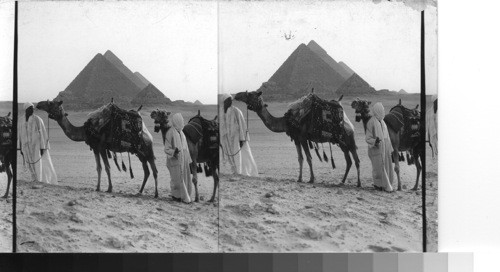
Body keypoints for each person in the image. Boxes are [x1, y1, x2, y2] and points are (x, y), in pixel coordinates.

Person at [219, 93, 258, 177]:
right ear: (224, 101)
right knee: (228, 155)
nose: (230, 102)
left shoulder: (236, 111)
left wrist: (242, 139)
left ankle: (240, 172)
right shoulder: (221, 112)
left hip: (236, 138)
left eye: (231, 100)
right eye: (228, 100)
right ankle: (232, 171)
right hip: (226, 138)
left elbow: (242, 125)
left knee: (238, 155)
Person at [18, 102, 57, 184]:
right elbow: (20, 134)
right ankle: (33, 179)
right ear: (26, 110)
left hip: (37, 146)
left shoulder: (38, 119)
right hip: (26, 146)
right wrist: (21, 148)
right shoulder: (21, 120)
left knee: (38, 163)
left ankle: (40, 180)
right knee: (29, 163)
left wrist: (43, 147)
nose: (32, 110)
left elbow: (43, 133)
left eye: (32, 108)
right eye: (30, 108)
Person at [365, 102, 394, 192]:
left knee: (386, 166)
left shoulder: (383, 122)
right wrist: (375, 141)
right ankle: (378, 185)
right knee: (378, 168)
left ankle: (385, 185)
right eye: (382, 110)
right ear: (378, 110)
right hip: (376, 149)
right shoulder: (371, 122)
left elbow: (387, 136)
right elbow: (368, 137)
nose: (383, 111)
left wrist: (390, 149)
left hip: (385, 148)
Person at [164, 113, 192, 204]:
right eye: (181, 120)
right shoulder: (170, 132)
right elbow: (166, 148)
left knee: (183, 178)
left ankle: (181, 196)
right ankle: (176, 196)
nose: (183, 122)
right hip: (174, 159)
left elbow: (186, 147)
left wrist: (188, 160)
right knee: (176, 180)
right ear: (177, 121)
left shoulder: (182, 133)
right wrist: (173, 152)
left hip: (183, 159)